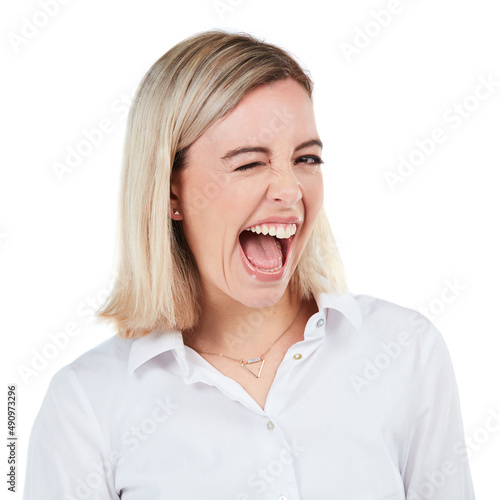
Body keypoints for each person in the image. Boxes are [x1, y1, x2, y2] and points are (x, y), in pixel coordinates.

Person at [24, 30, 475, 499]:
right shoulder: (85, 406)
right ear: (171, 192)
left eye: (306, 158)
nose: (290, 190)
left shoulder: (406, 352)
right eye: (248, 164)